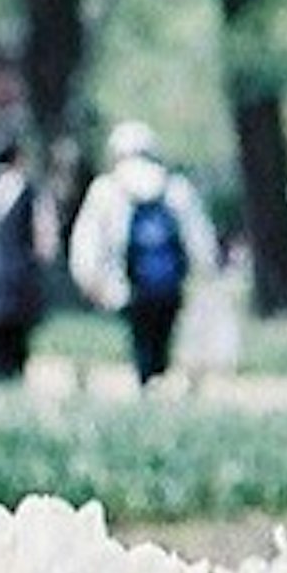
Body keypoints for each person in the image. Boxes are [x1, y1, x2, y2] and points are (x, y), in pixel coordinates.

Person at [65, 121, 220, 391]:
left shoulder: (107, 188)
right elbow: (199, 237)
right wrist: (205, 272)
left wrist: (88, 277)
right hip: (169, 284)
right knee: (162, 336)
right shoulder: (175, 187)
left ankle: (146, 383)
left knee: (141, 337)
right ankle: (157, 380)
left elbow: (87, 240)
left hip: (128, 285)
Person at [0, 133, 48, 389]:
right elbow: (44, 244)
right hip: (19, 284)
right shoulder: (30, 191)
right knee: (16, 357)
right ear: (19, 157)